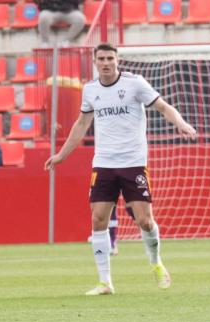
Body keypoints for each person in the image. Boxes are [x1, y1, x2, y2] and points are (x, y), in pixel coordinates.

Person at [44, 43, 197, 296]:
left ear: (118, 60)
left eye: (110, 58)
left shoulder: (134, 83)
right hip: (103, 163)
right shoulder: (91, 90)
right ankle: (105, 282)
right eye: (101, 59)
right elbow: (81, 124)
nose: (106, 63)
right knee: (98, 218)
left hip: (133, 162)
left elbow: (163, 106)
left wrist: (181, 123)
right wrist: (61, 155)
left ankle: (156, 262)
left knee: (144, 221)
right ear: (95, 61)